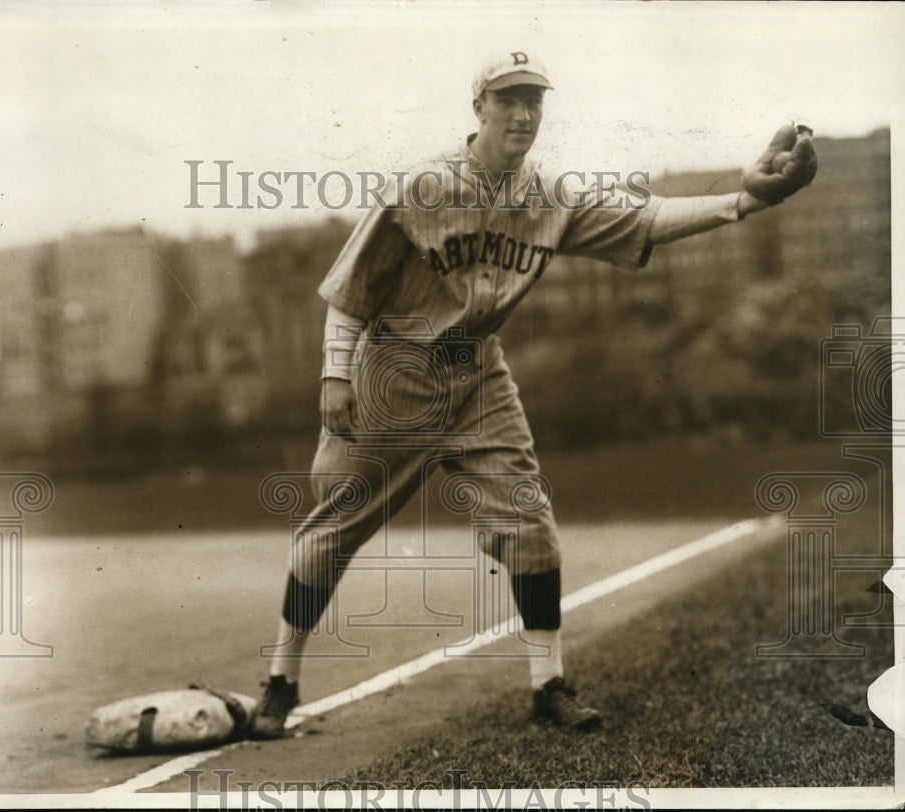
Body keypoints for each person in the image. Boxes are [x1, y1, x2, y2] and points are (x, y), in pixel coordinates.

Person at [250, 50, 817, 739]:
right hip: (393, 373)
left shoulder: (549, 197)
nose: (522, 114)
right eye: (508, 99)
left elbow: (645, 219)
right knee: (333, 529)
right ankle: (280, 683)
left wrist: (747, 199)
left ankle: (548, 685)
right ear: (479, 108)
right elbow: (350, 293)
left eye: (534, 101)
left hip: (478, 374)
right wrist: (335, 375)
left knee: (531, 526)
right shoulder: (422, 187)